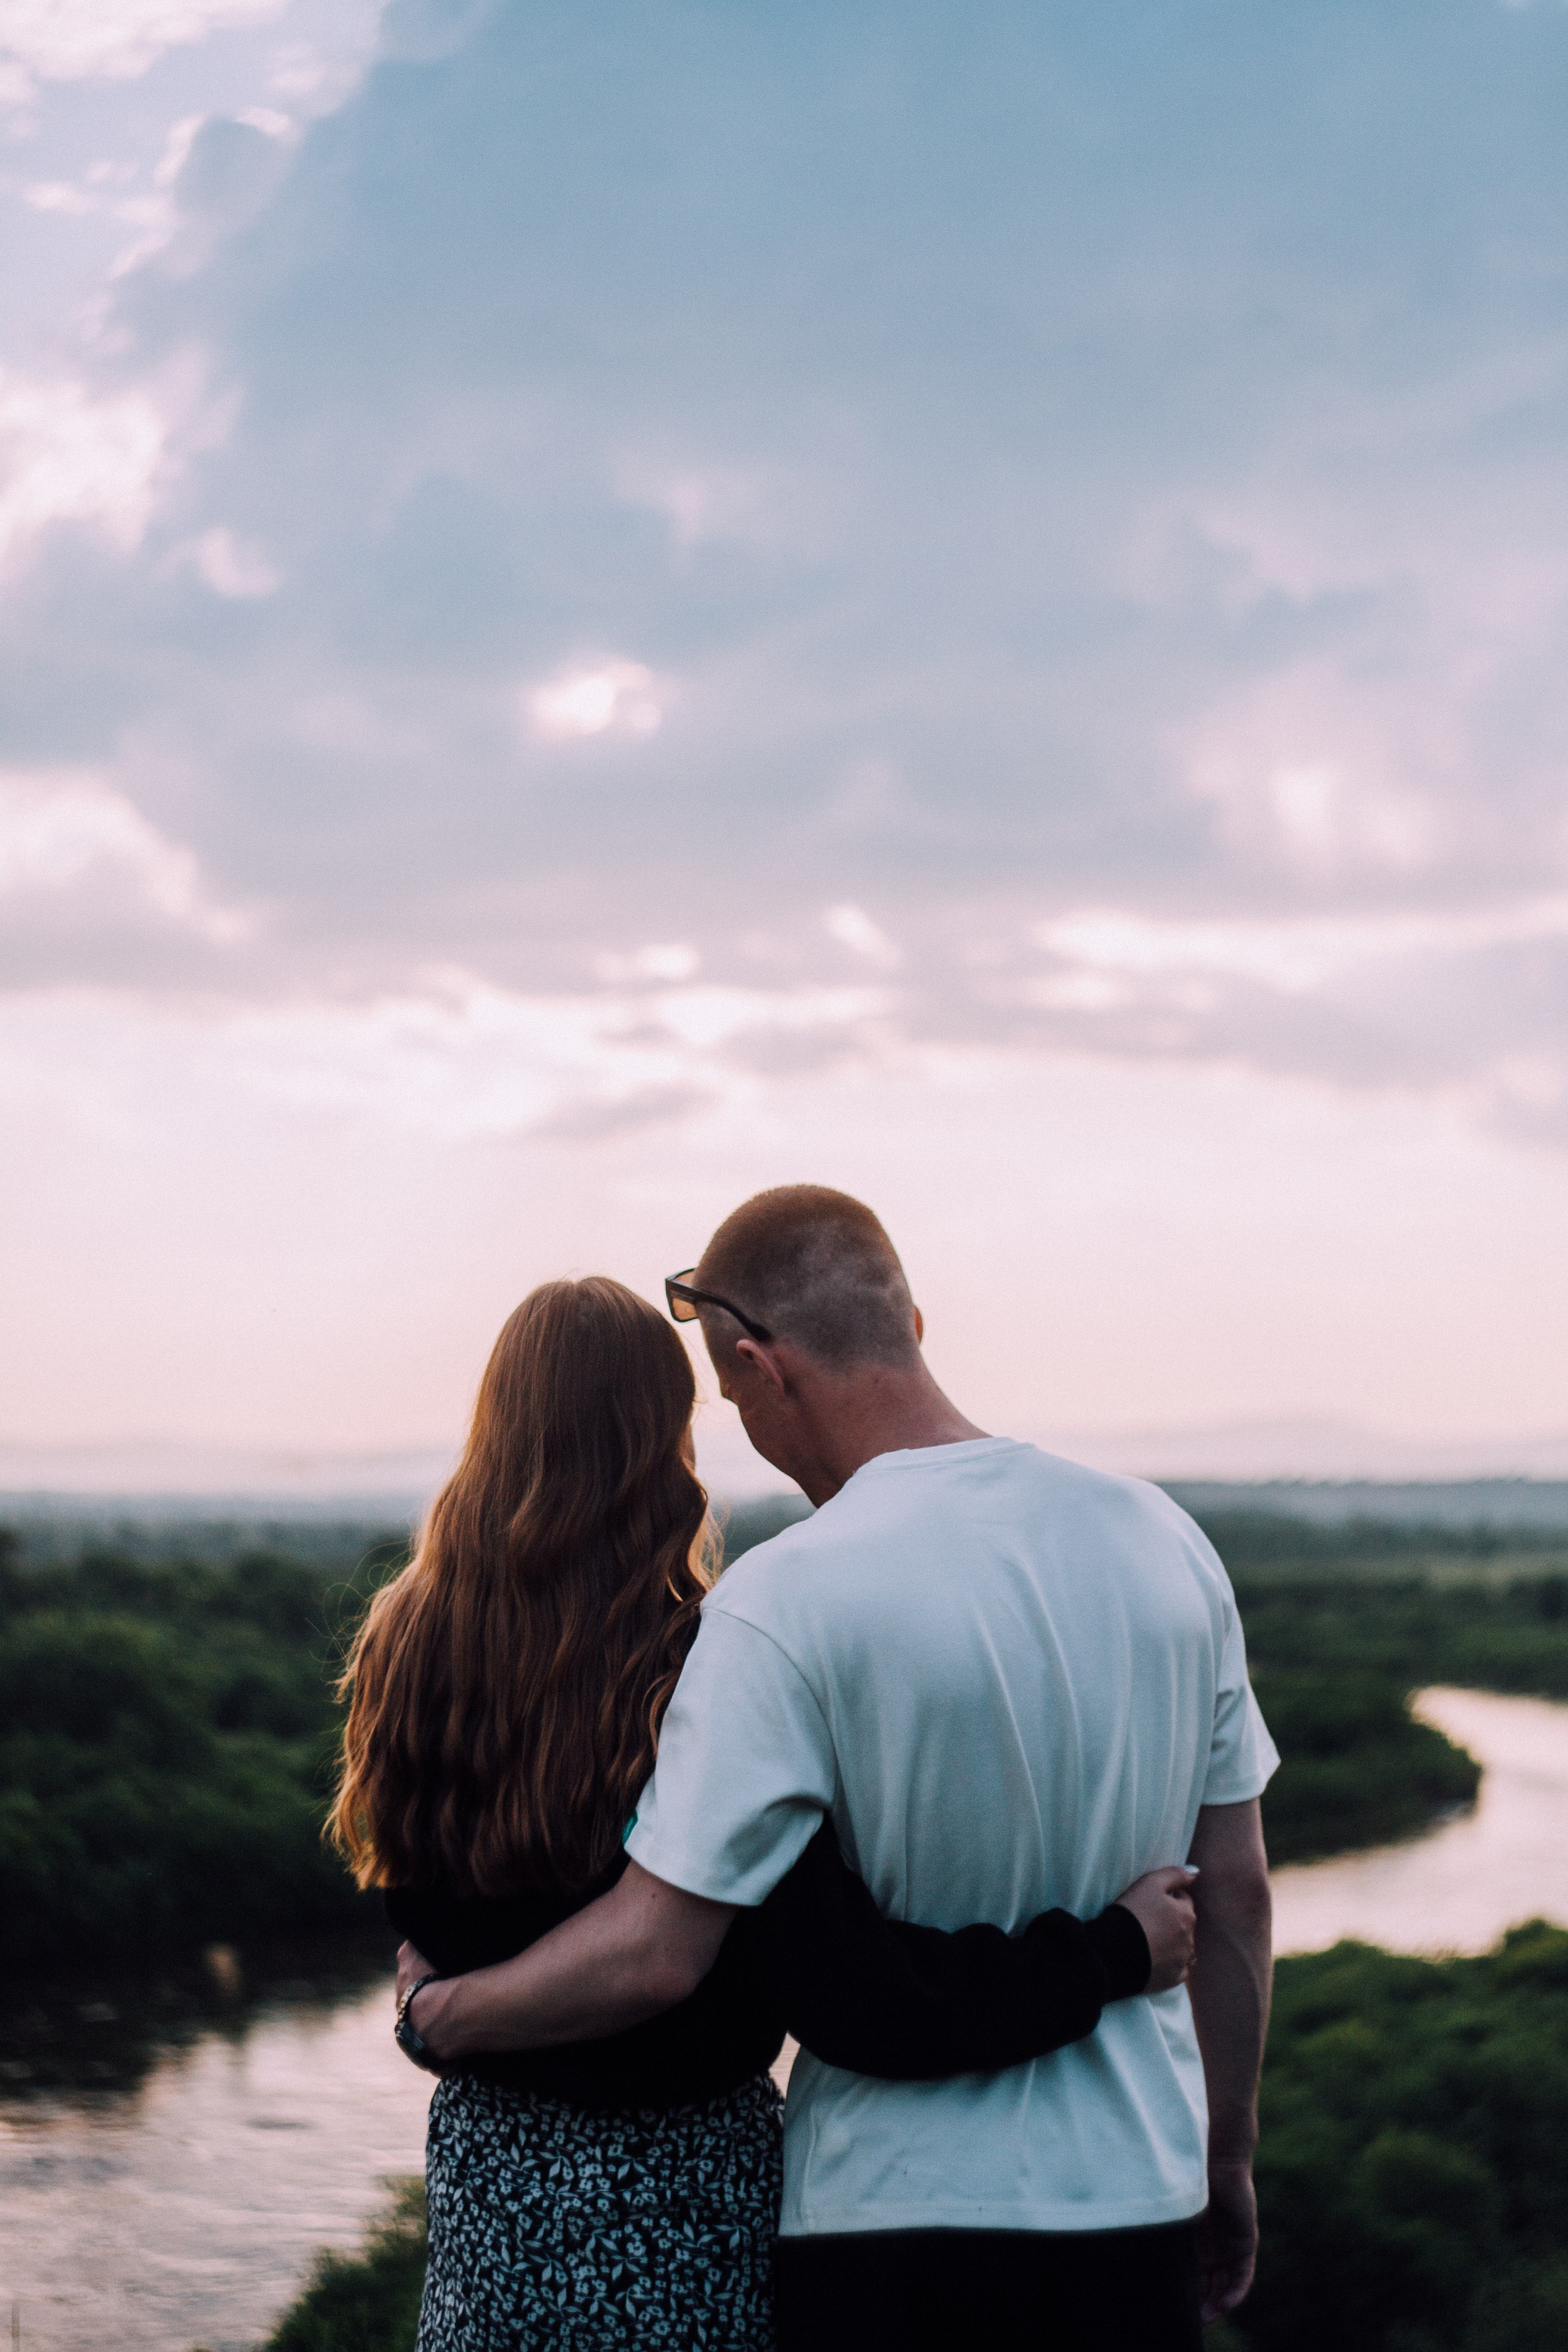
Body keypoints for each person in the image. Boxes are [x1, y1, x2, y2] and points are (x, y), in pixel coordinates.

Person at [404, 1191, 1278, 2350]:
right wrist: (1227, 2153)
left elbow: (664, 1944)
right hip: (1139, 2202)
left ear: (761, 1365)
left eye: (732, 1402)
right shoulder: (1166, 1540)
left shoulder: (782, 1599)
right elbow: (1241, 1897)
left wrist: (443, 2017)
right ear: (911, 1318)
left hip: (887, 2221)